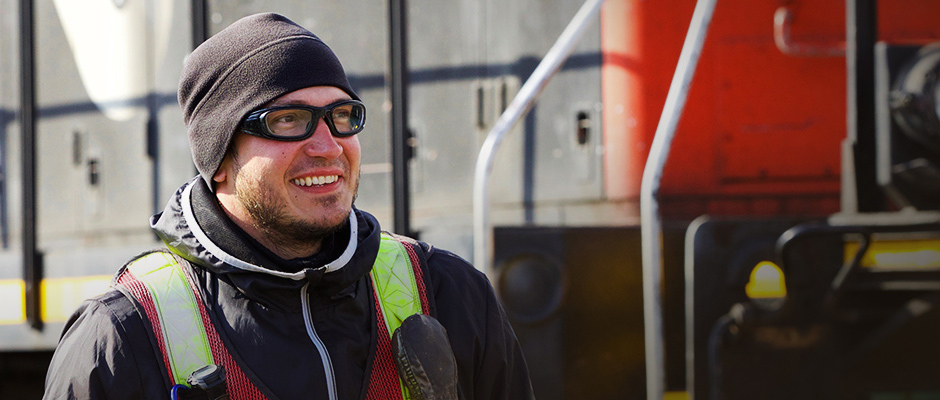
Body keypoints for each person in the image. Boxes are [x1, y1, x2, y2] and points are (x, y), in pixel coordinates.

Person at [43, 12, 533, 400]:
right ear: (219, 160)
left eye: (342, 115)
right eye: (288, 120)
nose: (328, 145)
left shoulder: (449, 295)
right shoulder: (122, 336)